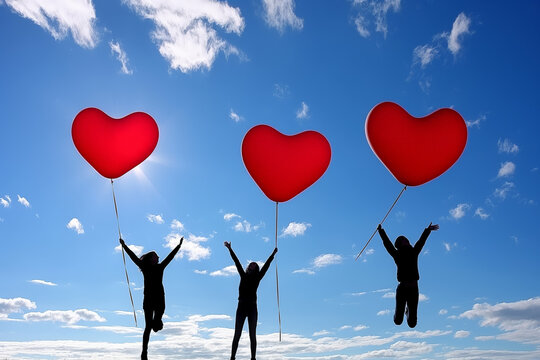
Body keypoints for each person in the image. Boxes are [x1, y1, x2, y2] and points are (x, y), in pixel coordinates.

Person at [120, 237, 183, 360]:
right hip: (148, 300)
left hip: (159, 299)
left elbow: (170, 257)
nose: (159, 258)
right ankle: (144, 353)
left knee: (157, 325)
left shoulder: (160, 267)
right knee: (148, 327)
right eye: (156, 256)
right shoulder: (144, 267)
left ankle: (157, 322)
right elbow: (133, 257)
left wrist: (179, 246)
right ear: (151, 259)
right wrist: (124, 245)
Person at [377, 222, 439, 328]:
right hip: (402, 288)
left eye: (407, 239)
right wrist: (381, 231)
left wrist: (427, 230)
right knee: (397, 321)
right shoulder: (397, 254)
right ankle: (401, 313)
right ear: (400, 244)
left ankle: (408, 312)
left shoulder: (414, 252)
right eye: (405, 240)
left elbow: (421, 242)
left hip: (414, 288)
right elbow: (388, 244)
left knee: (412, 324)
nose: (407, 241)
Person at [224, 241, 277, 360]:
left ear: (256, 268)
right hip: (241, 306)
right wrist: (230, 249)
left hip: (252, 307)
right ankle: (232, 357)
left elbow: (266, 266)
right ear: (249, 267)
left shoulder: (258, 277)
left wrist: (273, 254)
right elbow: (236, 262)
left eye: (254, 264)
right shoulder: (243, 275)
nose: (252, 265)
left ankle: (253, 358)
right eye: (251, 264)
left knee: (252, 334)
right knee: (237, 333)